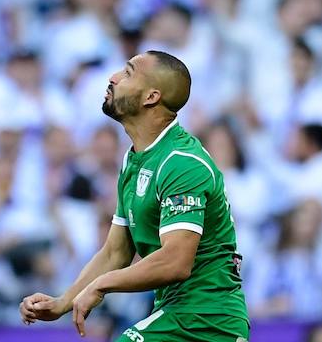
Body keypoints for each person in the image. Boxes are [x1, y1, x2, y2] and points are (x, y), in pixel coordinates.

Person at [19, 50, 249, 341]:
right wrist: (62, 303)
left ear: (151, 97)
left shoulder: (181, 162)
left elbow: (175, 262)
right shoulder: (135, 160)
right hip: (180, 315)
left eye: (127, 73)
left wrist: (102, 285)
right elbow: (117, 252)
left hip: (207, 320)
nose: (113, 78)